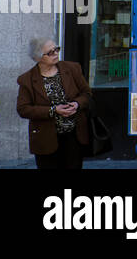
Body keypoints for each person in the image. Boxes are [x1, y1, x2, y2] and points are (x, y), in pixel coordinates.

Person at [16, 37, 92, 170]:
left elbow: (87, 94)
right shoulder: (26, 79)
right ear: (38, 57)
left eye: (56, 49)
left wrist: (77, 104)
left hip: (73, 135)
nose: (56, 53)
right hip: (45, 138)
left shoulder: (72, 68)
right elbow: (23, 109)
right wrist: (53, 110)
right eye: (50, 52)